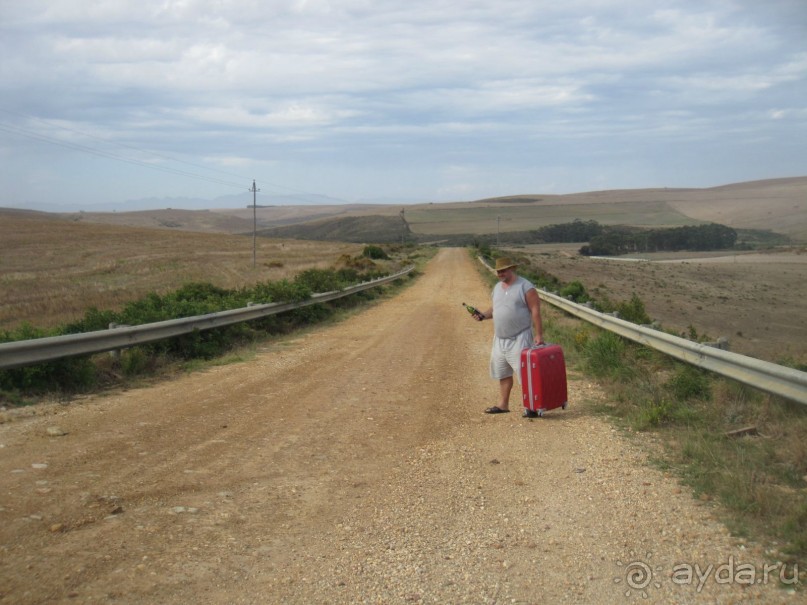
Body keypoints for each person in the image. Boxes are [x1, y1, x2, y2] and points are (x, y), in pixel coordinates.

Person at [471, 257, 544, 417]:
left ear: (512, 269)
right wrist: (483, 315)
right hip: (500, 339)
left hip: (520, 337)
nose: (500, 274)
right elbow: (496, 309)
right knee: (503, 373)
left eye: (503, 270)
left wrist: (538, 334)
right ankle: (503, 405)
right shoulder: (497, 287)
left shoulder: (525, 287)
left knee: (525, 375)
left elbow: (535, 310)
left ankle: (532, 407)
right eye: (498, 271)